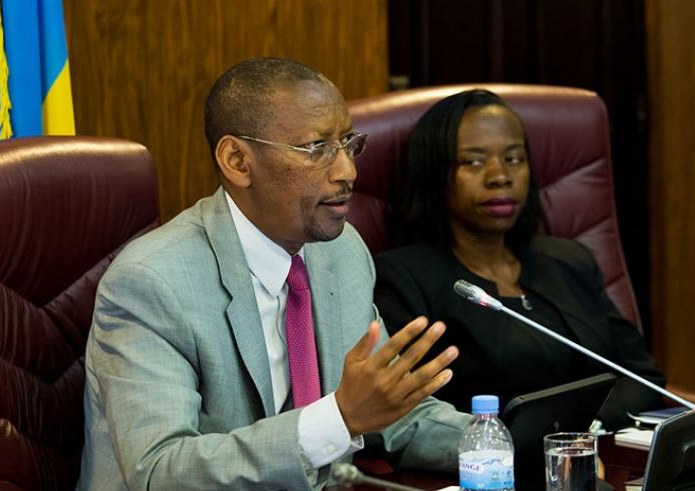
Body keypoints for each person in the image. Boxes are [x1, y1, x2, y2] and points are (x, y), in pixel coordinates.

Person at [76, 58, 471, 490]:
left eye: (348, 144)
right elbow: (160, 472)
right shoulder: (153, 281)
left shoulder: (341, 252)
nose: (347, 172)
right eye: (317, 148)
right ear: (237, 161)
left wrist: (498, 441)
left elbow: (386, 410)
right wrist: (338, 418)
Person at [374, 89, 665, 434]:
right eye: (474, 161)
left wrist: (586, 430)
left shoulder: (569, 260)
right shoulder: (402, 278)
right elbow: (410, 412)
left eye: (514, 159)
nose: (500, 176)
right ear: (436, 173)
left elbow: (642, 377)